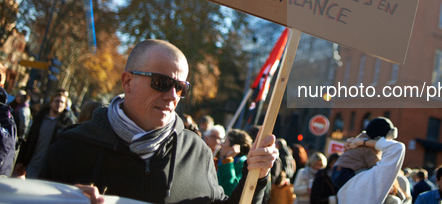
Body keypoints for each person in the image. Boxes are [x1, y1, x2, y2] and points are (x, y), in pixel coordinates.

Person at [39, 39, 278, 203]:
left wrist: (256, 176)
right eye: (161, 82)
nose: (173, 96)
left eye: (181, 87)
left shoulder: (197, 152)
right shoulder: (71, 148)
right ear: (128, 82)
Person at [335, 123, 405, 204]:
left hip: (342, 177)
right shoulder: (369, 151)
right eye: (386, 140)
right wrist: (365, 142)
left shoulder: (346, 190)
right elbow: (397, 147)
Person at [15, 89, 75, 178]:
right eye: (56, 101)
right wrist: (22, 160)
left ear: (65, 105)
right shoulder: (39, 118)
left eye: (62, 102)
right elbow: (29, 139)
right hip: (33, 165)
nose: (59, 104)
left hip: (50, 170)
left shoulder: (67, 124)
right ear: (51, 103)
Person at [332, 117, 397, 191]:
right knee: (371, 175)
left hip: (337, 171)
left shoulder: (359, 140)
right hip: (346, 173)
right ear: (380, 137)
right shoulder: (369, 147)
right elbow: (376, 166)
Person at [217, 128, 253, 196]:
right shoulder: (223, 161)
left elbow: (230, 189)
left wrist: (228, 160)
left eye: (225, 142)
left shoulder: (244, 165)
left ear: (234, 147)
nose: (221, 144)